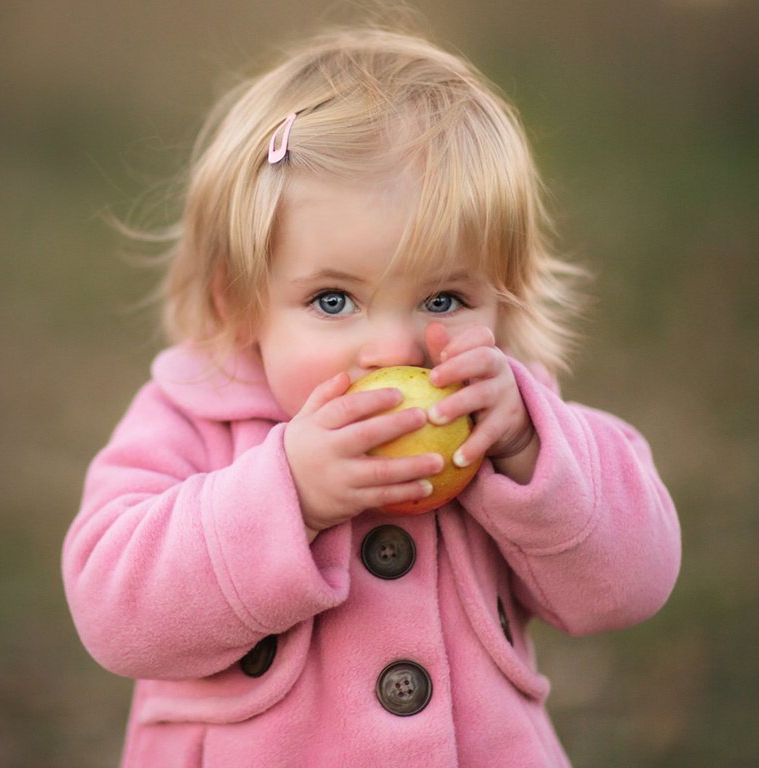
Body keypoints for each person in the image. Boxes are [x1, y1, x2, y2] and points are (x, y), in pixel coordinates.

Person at [62, 25, 680, 767]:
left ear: (505, 305)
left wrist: (528, 451)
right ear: (239, 303)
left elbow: (632, 585)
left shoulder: (509, 427)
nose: (394, 350)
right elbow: (113, 613)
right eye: (332, 301)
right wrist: (289, 496)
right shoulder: (192, 420)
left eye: (446, 299)